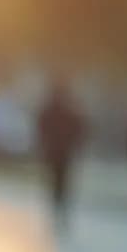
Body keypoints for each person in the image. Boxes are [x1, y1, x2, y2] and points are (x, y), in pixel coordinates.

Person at [37, 73, 85, 233]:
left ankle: (58, 210)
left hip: (56, 152)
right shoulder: (70, 108)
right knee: (62, 184)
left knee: (56, 184)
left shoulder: (51, 108)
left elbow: (41, 128)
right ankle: (60, 211)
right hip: (64, 152)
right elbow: (79, 129)